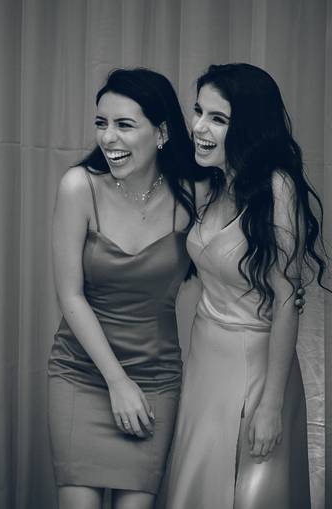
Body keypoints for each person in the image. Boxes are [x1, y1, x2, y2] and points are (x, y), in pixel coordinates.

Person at [163, 63, 331, 509]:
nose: (199, 127)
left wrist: (271, 405)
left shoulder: (278, 188)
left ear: (249, 128)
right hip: (205, 359)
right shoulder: (213, 183)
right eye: (198, 111)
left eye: (217, 118)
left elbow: (287, 301)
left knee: (252, 492)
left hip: (255, 364)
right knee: (197, 483)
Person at [47, 68, 207, 509]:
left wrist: (286, 288)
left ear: (161, 133)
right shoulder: (79, 186)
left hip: (155, 377)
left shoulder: (195, 194)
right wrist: (116, 381)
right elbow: (70, 295)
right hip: (81, 372)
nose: (108, 137)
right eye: (101, 123)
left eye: (124, 124)